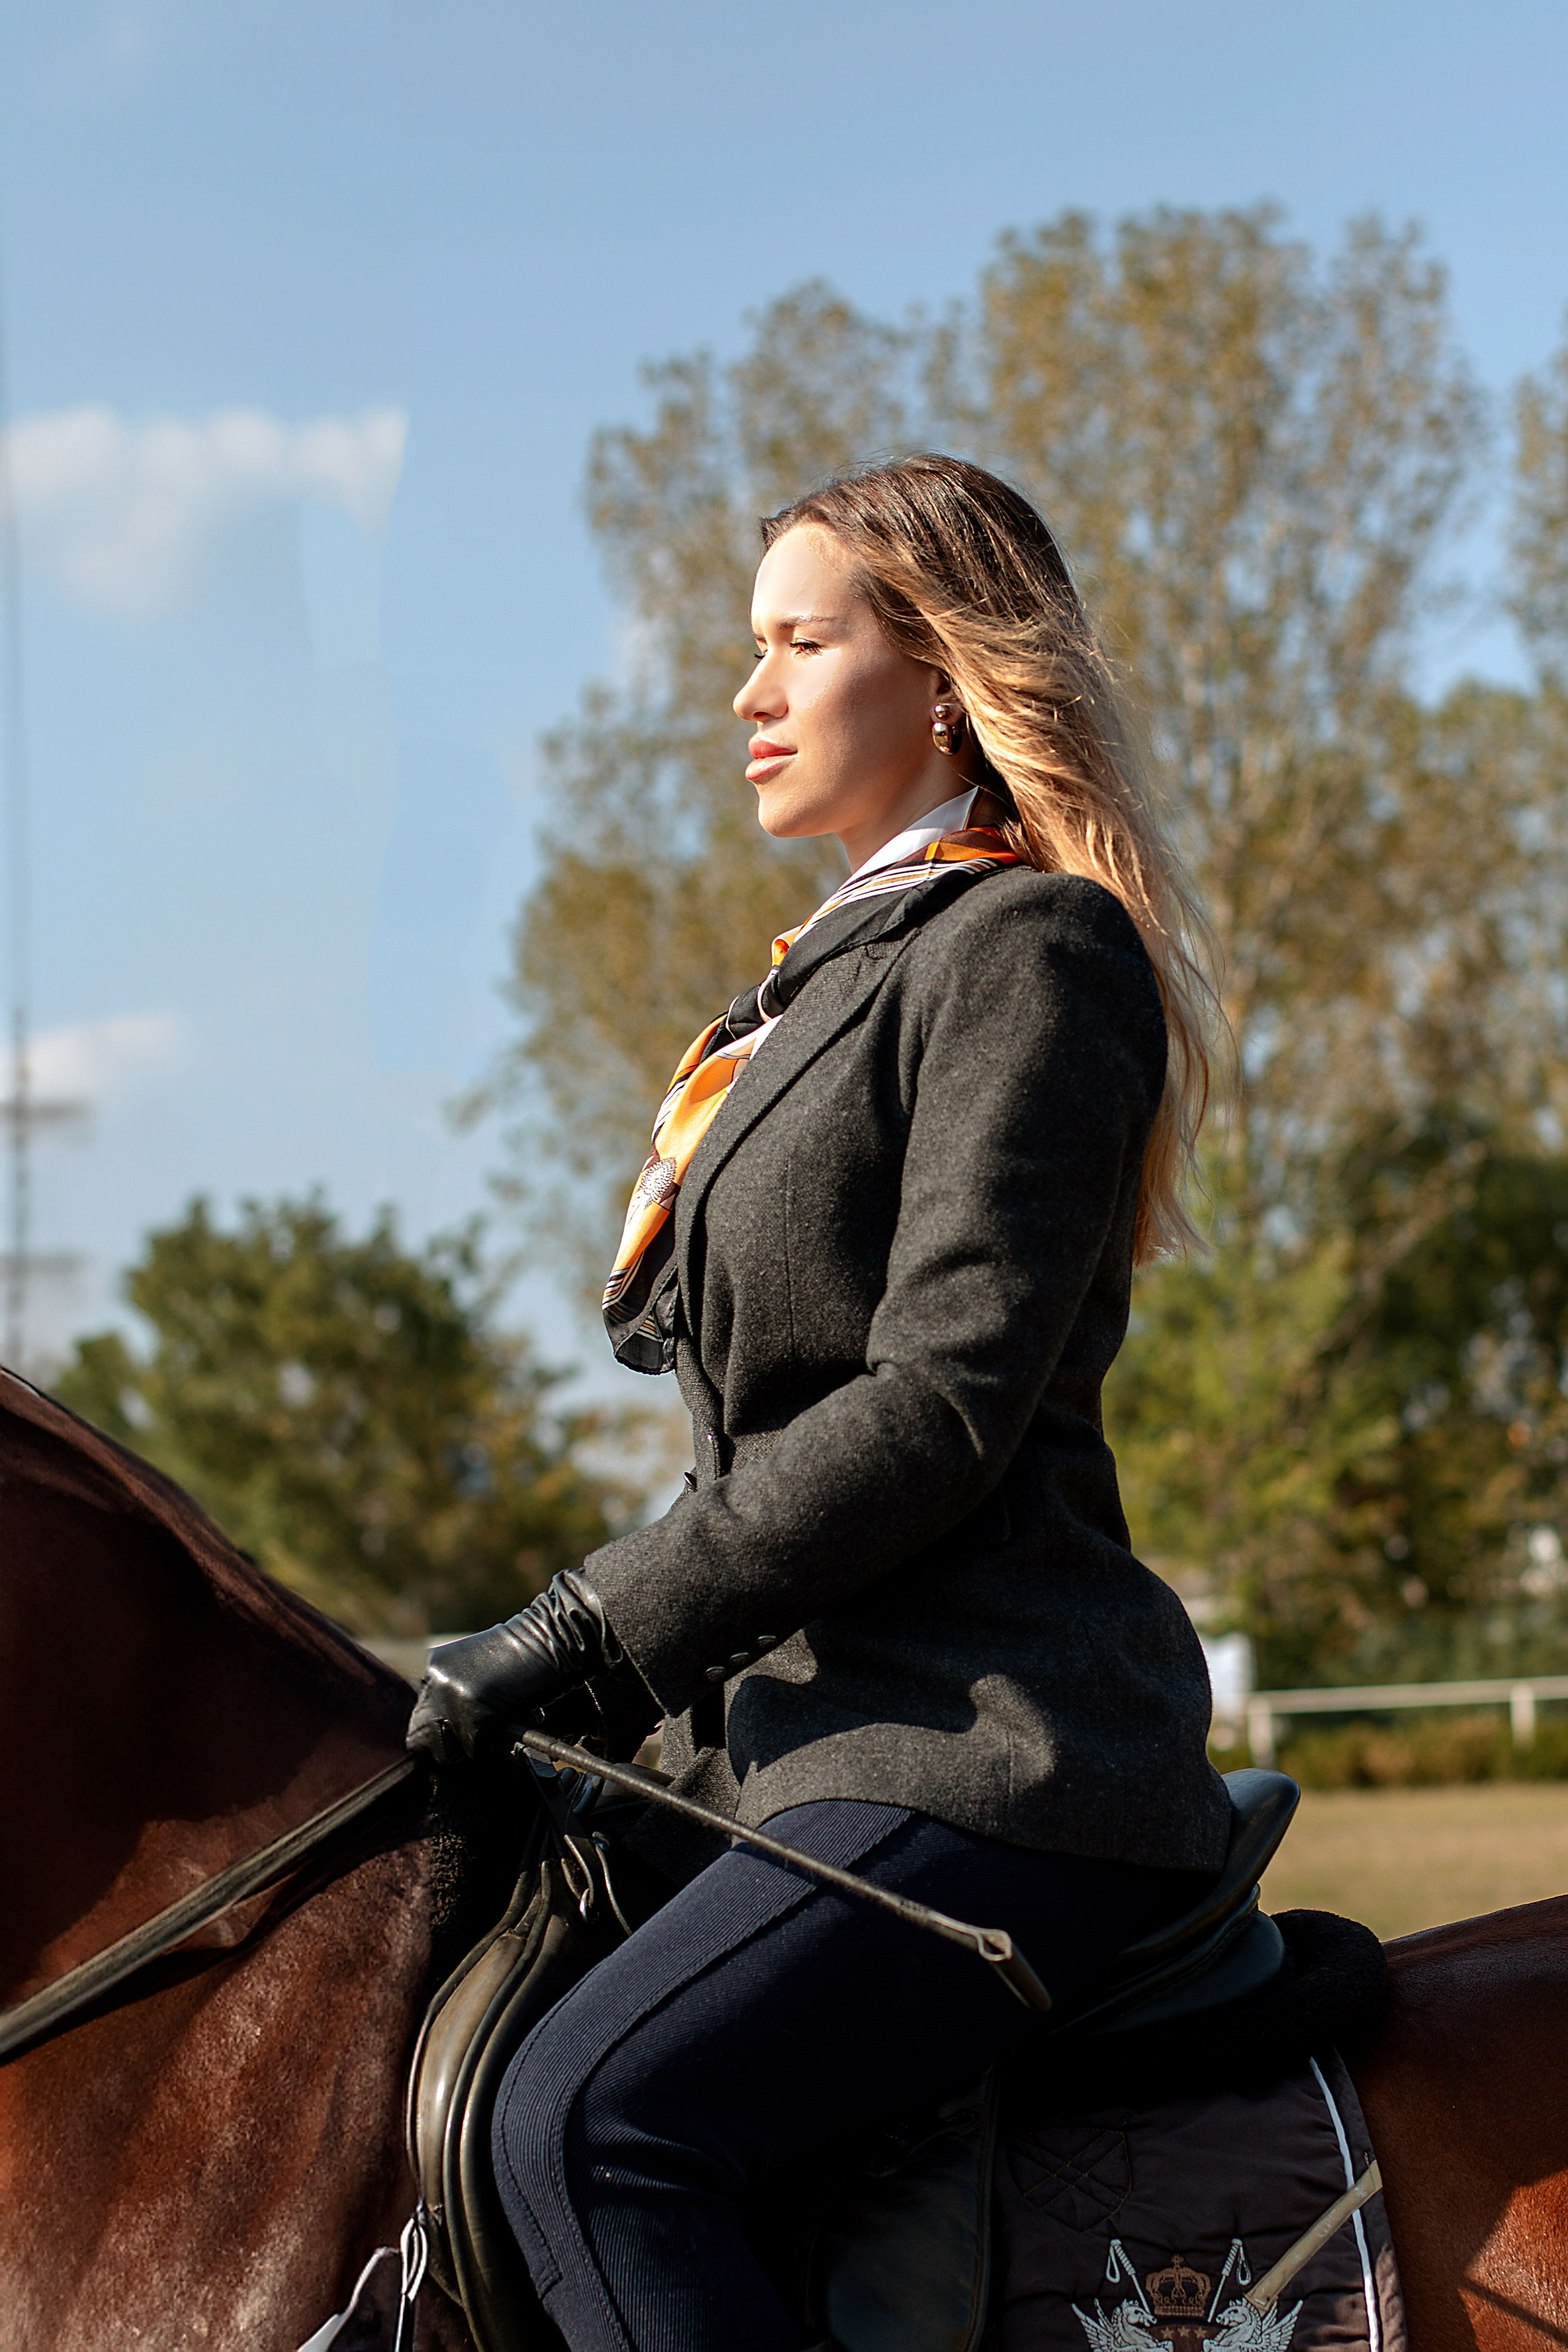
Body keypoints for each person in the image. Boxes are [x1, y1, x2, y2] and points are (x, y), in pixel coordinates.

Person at [407, 454, 1233, 2352]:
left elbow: (940, 1402)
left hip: (983, 1738)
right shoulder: (804, 992)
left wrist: (587, 1629)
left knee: (590, 2123)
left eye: (798, 642)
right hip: (776, 1748)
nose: (746, 694)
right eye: (747, 649)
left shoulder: (1029, 949)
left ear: (938, 677)